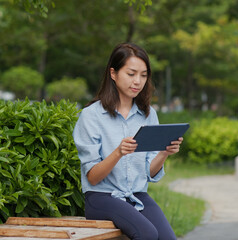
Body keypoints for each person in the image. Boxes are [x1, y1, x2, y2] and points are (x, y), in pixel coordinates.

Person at [72, 43, 182, 240]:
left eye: (143, 75)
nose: (137, 81)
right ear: (113, 74)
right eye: (131, 74)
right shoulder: (91, 116)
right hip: (101, 198)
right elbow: (93, 178)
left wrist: (164, 152)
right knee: (147, 234)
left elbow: (148, 173)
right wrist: (118, 153)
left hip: (136, 195)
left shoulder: (148, 115)